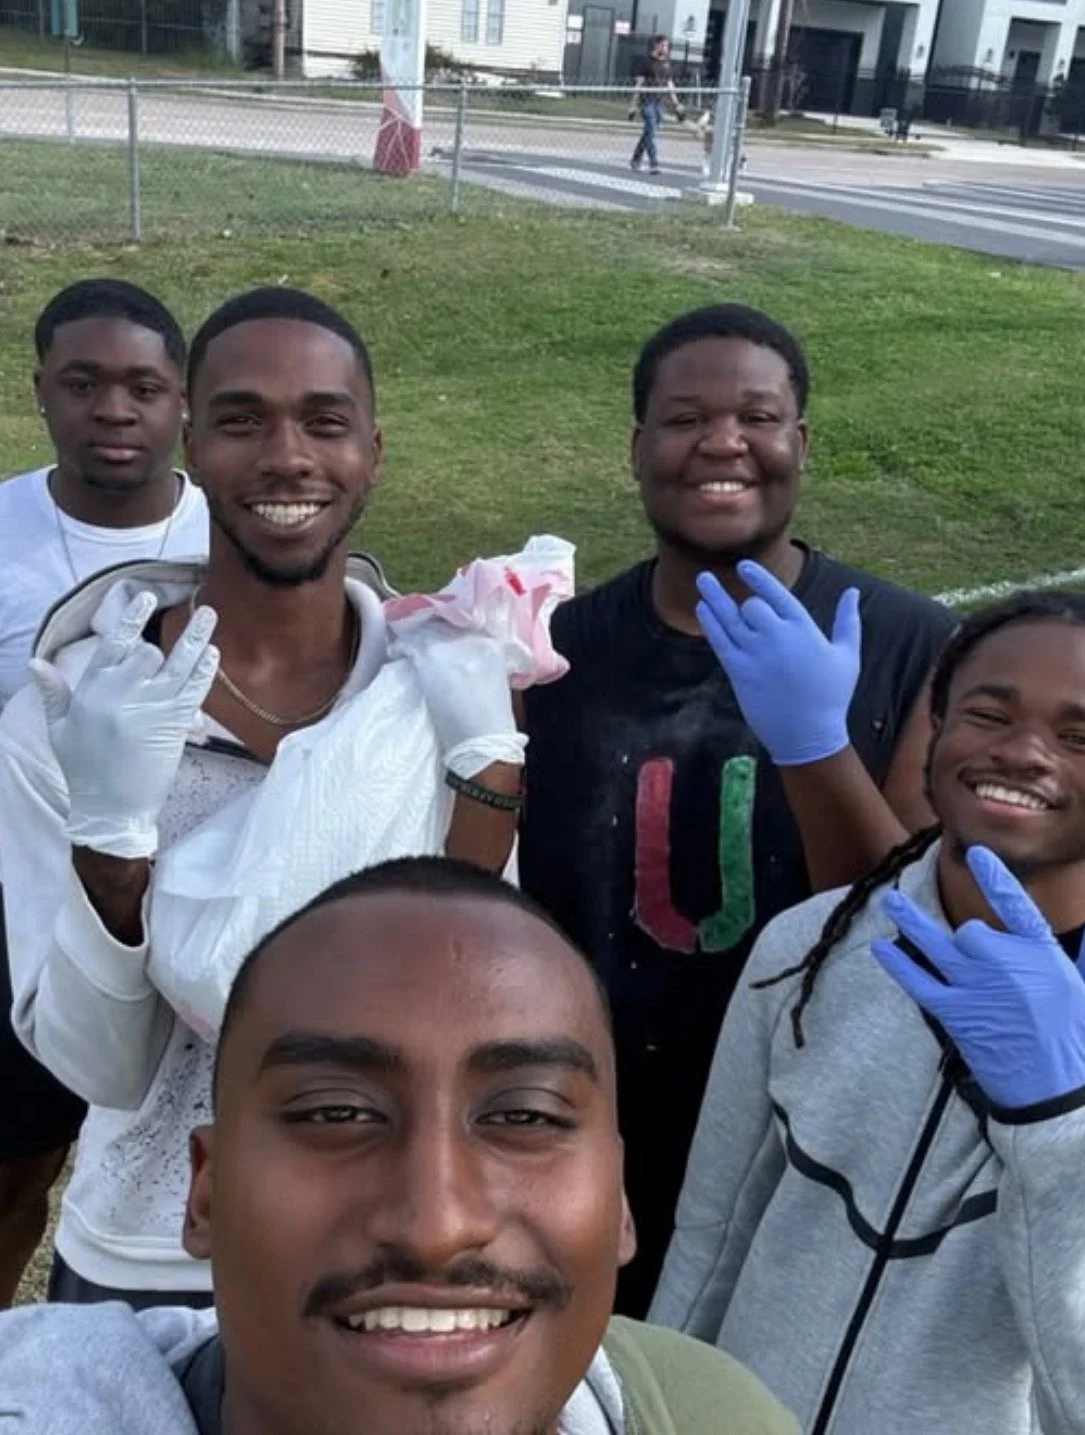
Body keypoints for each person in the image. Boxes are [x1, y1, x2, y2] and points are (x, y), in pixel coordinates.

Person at [0, 286, 524, 1308]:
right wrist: (111, 844)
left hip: (388, 1242)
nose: (287, 455)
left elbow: (474, 997)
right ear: (194, 439)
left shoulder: (439, 700)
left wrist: (489, 775)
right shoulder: (67, 714)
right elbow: (99, 1069)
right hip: (145, 1257)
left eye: (324, 422)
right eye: (243, 420)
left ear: (374, 450)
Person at [0, 856, 799, 1435]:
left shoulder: (708, 1409)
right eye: (336, 1113)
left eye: (525, 1117)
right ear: (204, 1192)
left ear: (619, 1194)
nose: (436, 1226)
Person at [519, 304, 956, 1316]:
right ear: (635, 448)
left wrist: (817, 743)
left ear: (799, 443)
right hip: (598, 1113)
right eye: (682, 418)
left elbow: (911, 929)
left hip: (809, 1117)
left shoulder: (909, 644)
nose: (721, 441)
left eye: (756, 415)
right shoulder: (551, 652)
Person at [653, 591, 1085, 1435]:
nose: (1024, 753)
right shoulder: (806, 951)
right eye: (986, 713)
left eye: (1079, 736)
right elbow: (709, 1236)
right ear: (933, 732)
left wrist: (1057, 1125)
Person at [0, 278, 208, 1307]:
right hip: (27, 913)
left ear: (183, 400)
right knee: (12, 1174)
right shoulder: (2, 535)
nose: (114, 410)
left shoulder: (239, 537)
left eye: (142, 386)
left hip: (194, 917)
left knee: (170, 1193)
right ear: (41, 389)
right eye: (83, 383)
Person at [628, 34, 686, 175]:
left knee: (649, 133)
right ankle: (654, 163)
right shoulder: (646, 62)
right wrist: (633, 105)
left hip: (658, 102)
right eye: (664, 45)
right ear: (656, 45)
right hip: (646, 102)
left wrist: (676, 104)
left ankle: (635, 160)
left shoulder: (666, 63)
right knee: (651, 131)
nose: (666, 48)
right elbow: (639, 85)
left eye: (667, 46)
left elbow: (669, 84)